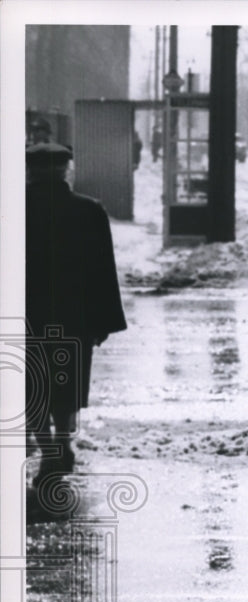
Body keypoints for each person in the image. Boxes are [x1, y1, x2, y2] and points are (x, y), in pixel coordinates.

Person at [25, 143, 127, 485]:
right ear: (66, 170)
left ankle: (49, 448)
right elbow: (103, 271)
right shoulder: (89, 211)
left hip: (26, 314)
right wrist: (103, 322)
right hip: (74, 315)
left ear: (30, 171)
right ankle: (64, 440)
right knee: (66, 384)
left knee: (30, 387)